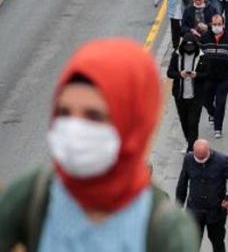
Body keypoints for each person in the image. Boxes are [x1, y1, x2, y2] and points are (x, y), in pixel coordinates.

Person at [0, 38, 199, 252]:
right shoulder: (34, 194)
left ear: (132, 122)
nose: (75, 129)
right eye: (64, 113)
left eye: (94, 116)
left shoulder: (165, 229)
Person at [176, 139, 228, 252]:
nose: (201, 161)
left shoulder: (222, 161)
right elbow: (182, 183)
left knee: (217, 242)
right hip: (194, 210)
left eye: (204, 158)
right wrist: (178, 205)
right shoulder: (188, 159)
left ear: (209, 150)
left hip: (216, 211)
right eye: (198, 158)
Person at [200, 14, 228, 138]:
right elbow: (199, 56)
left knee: (221, 102)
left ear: (223, 24)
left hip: (224, 77)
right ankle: (212, 113)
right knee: (205, 99)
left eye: (219, 24)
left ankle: (218, 128)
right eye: (214, 24)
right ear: (211, 25)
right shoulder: (204, 38)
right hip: (207, 76)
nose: (217, 27)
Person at [167, 35, 208, 152]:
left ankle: (191, 148)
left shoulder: (202, 57)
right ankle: (189, 141)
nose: (189, 49)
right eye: (186, 46)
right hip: (180, 96)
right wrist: (180, 74)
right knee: (184, 121)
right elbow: (170, 73)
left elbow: (208, 73)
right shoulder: (177, 56)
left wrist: (197, 75)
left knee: (193, 122)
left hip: (196, 96)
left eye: (191, 47)